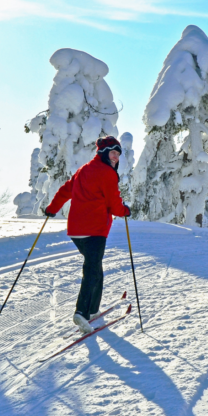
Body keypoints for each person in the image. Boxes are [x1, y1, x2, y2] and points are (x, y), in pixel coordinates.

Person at [45, 136, 131, 334]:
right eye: (113, 153)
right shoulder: (107, 173)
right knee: (92, 271)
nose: (116, 157)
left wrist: (52, 208)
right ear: (103, 153)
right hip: (94, 231)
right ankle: (81, 312)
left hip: (77, 232)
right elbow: (114, 205)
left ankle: (92, 310)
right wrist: (125, 210)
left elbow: (66, 190)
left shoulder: (83, 170)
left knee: (96, 268)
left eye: (118, 154)